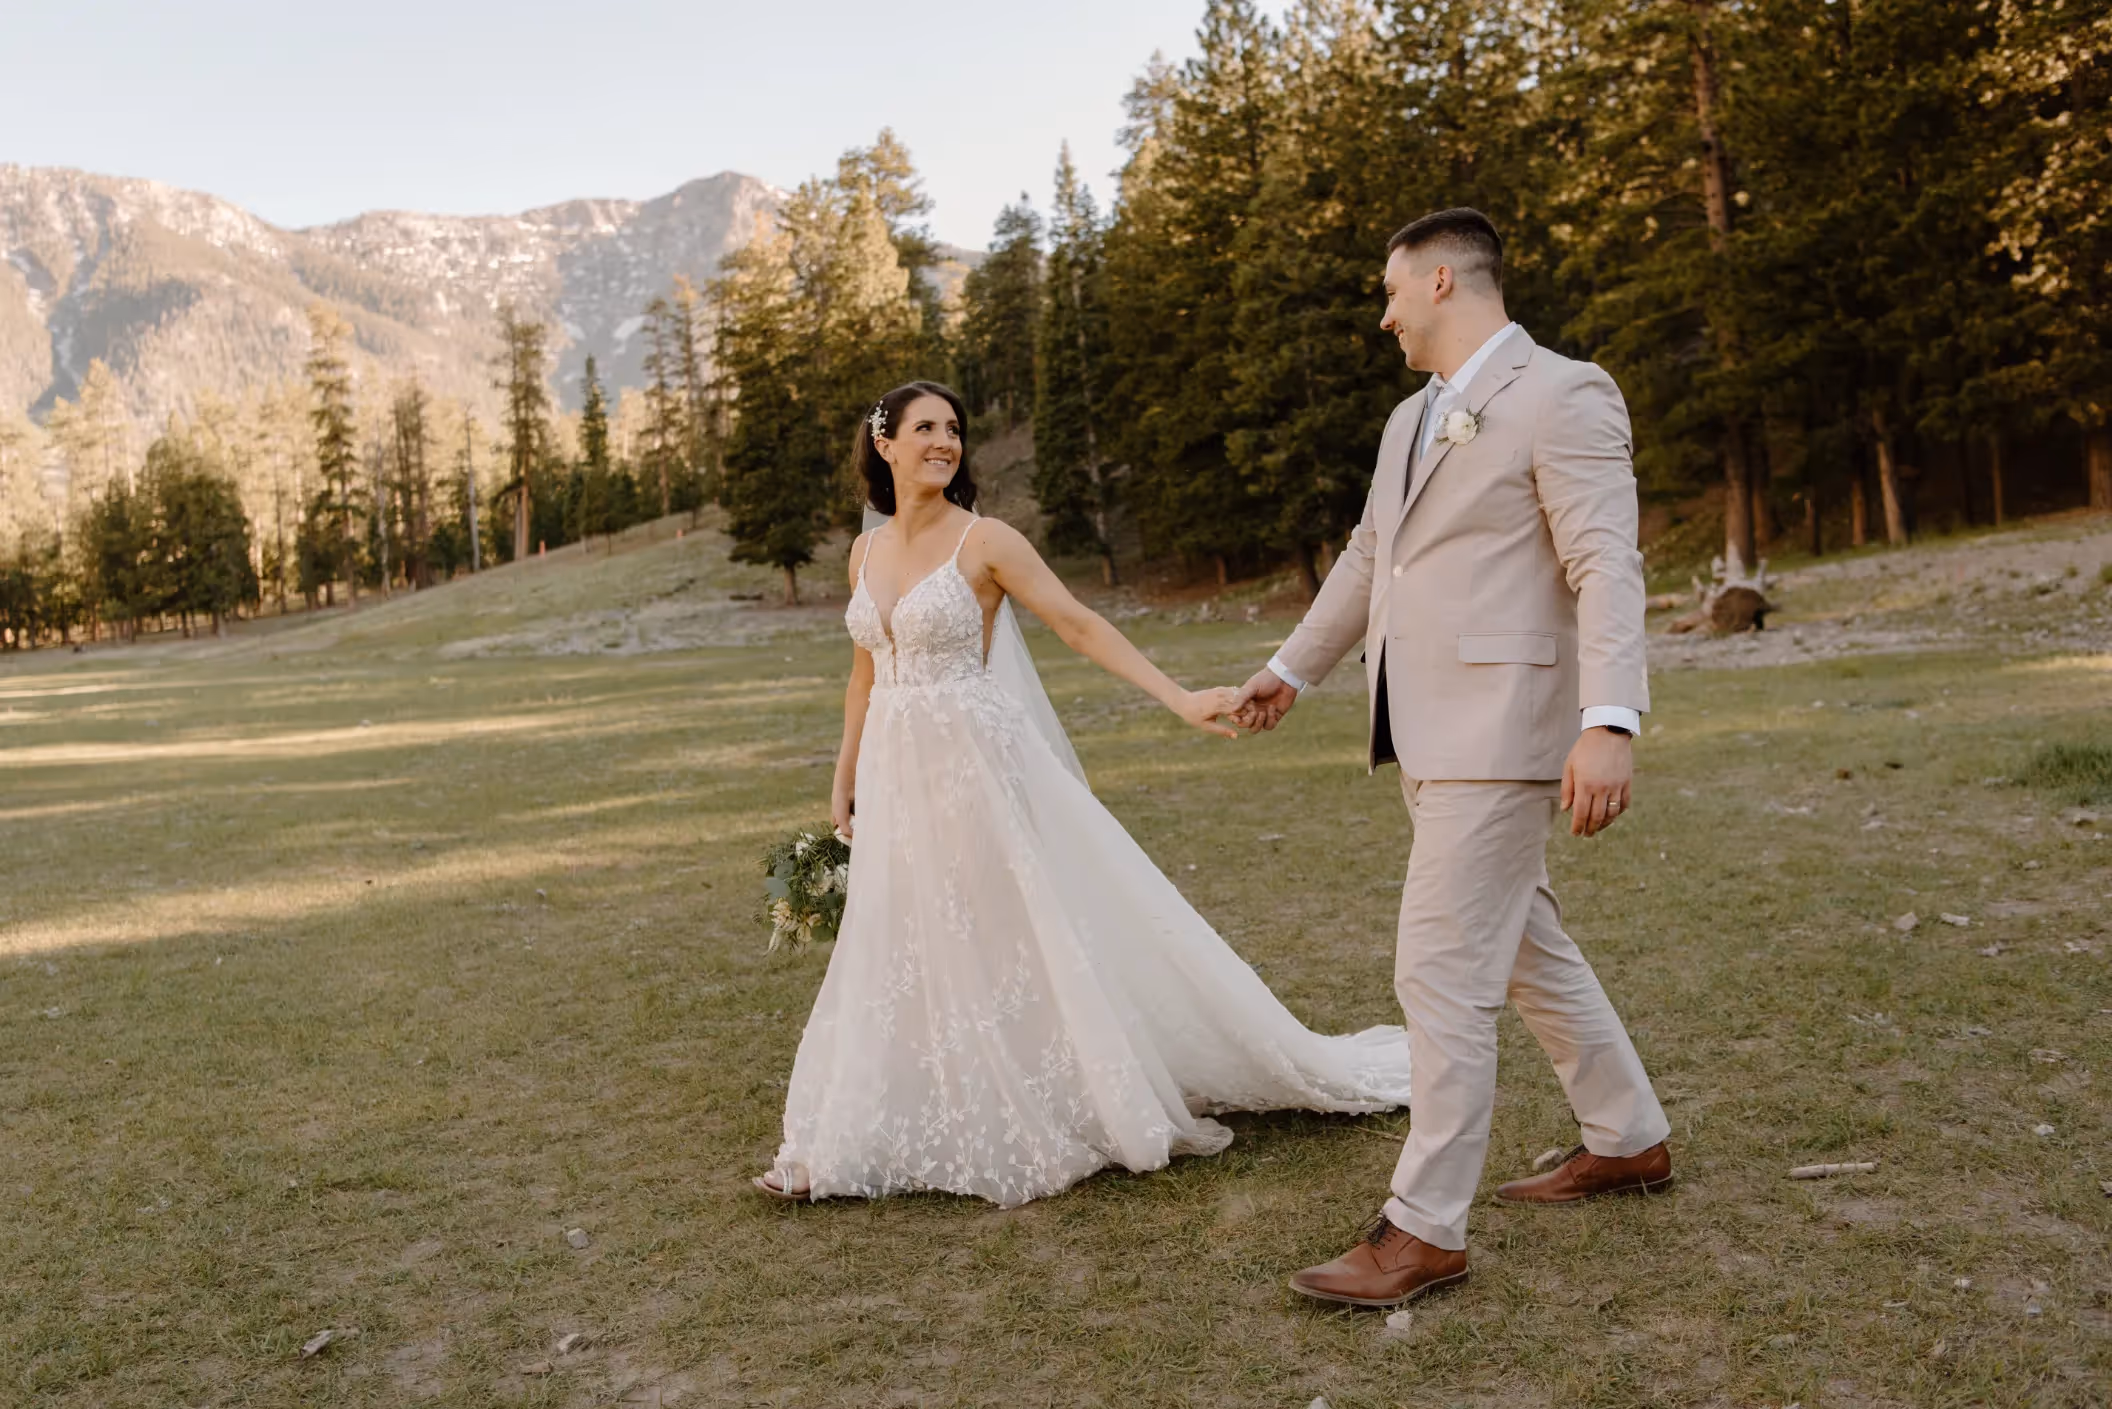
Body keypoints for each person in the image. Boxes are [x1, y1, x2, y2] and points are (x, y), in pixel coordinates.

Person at [755, 379, 1414, 1206]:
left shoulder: (986, 541)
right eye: (925, 427)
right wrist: (844, 774)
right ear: (882, 444)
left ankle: (1040, 1094)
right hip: (896, 766)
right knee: (905, 928)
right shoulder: (863, 554)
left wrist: (1178, 696)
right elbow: (863, 675)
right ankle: (880, 1117)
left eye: (954, 429)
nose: (944, 442)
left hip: (975, 761)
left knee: (998, 925)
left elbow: (1077, 624)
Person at [1232, 210, 1672, 1308]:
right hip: (1421, 731)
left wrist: (1608, 718)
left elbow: (1604, 562)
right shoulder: (1406, 419)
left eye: (1390, 292)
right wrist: (1293, 666)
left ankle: (1424, 1227)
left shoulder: (1563, 391)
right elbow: (1370, 555)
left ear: (1440, 280)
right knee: (1525, 947)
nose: (1383, 316)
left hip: (1506, 726)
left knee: (1437, 965)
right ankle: (1627, 1134)